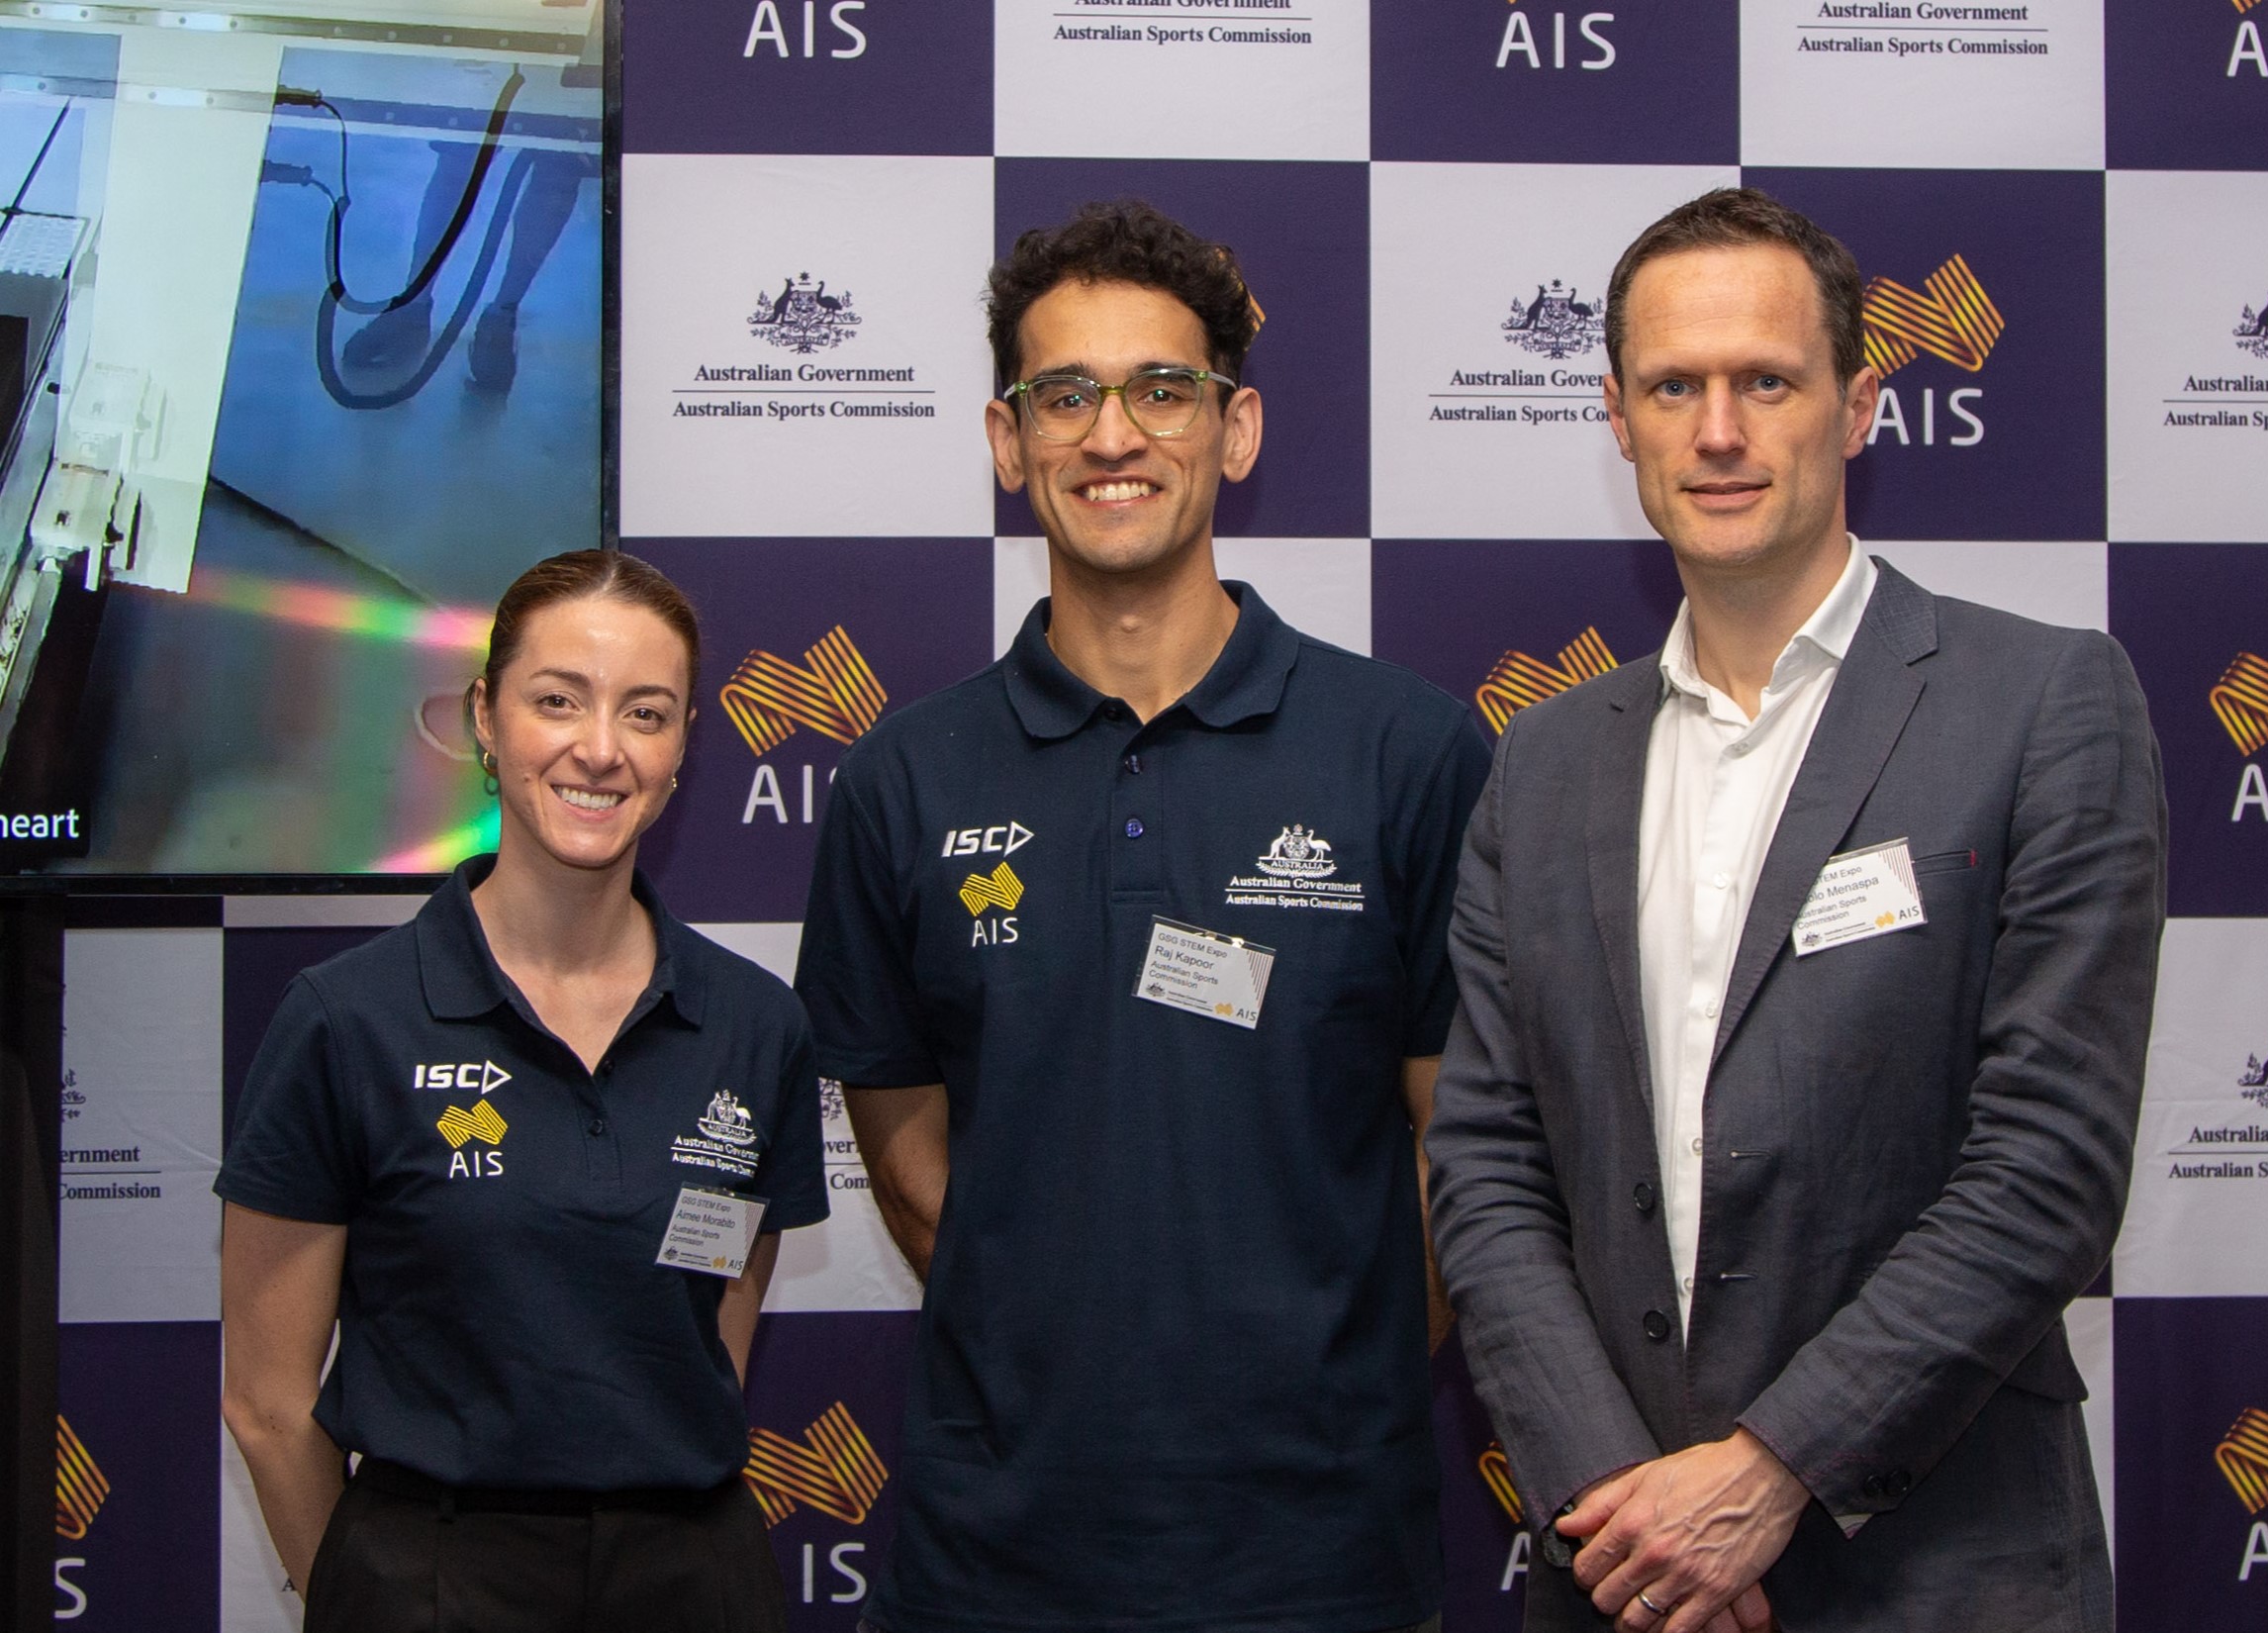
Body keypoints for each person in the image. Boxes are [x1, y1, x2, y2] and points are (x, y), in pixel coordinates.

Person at [1425, 187, 2166, 1633]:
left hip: (1938, 1568)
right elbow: (1486, 1159)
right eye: (1671, 386)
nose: (1717, 431)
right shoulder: (1540, 759)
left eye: (1764, 380)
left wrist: (1766, 1473)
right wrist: (1623, 1510)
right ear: (1616, 416)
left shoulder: (2041, 702)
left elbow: (2049, 1162)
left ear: (1858, 406)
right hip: (1622, 1574)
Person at [794, 200, 1491, 1633]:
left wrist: (1323, 1371)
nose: (1113, 436)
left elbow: (1462, 1148)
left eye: (1161, 389)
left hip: (1322, 1561)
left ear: (1231, 431)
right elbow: (910, 1162)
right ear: (1008, 441)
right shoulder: (902, 776)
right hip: (997, 1559)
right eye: (1067, 395)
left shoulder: (1405, 751)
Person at [218, 548, 830, 1633]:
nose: (600, 750)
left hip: (695, 1581)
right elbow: (267, 1403)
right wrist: (372, 1596)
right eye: (558, 701)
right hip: (433, 1576)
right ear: (486, 721)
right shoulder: (346, 1020)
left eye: (646, 713)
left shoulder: (754, 1024)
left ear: (684, 748)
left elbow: (715, 1334)